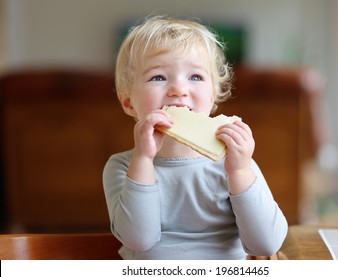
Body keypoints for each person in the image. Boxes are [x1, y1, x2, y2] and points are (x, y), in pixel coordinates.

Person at [103, 15, 288, 260]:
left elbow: (266, 245)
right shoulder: (123, 167)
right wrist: (144, 160)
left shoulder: (234, 161)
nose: (179, 89)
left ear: (212, 97)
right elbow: (140, 239)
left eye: (196, 77)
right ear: (128, 102)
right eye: (158, 77)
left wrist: (240, 171)